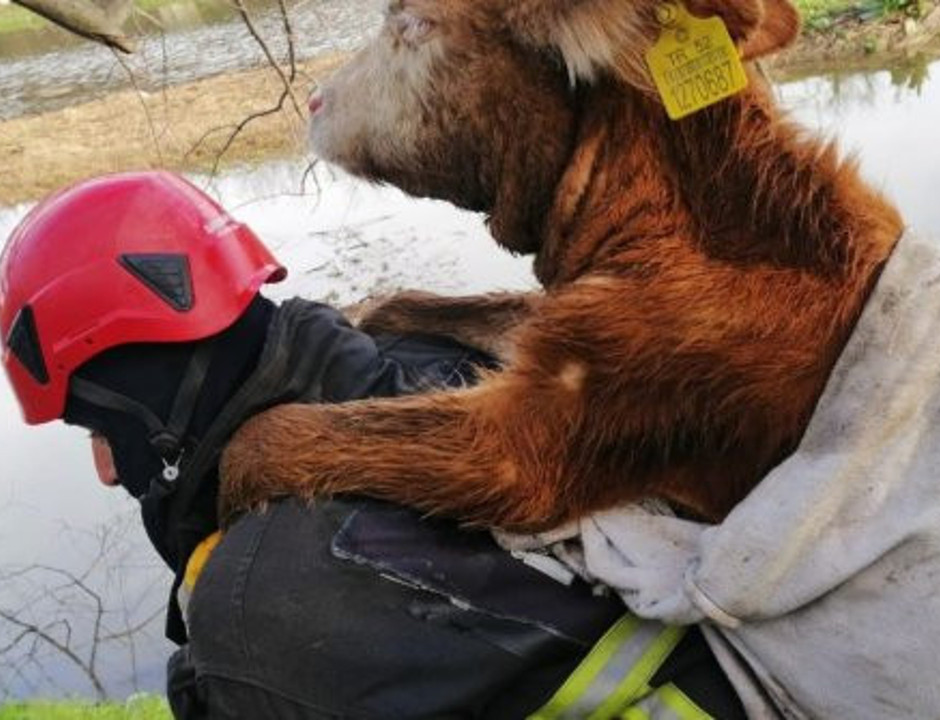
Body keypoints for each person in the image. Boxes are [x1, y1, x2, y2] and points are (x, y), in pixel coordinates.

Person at [0, 171, 745, 719]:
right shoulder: (427, 358)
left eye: (103, 431)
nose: (104, 470)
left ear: (159, 399)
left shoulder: (258, 612)